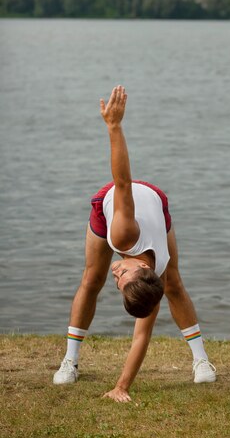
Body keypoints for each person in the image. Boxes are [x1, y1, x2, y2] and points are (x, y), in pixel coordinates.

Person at [53, 85, 216, 400]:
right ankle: (70, 360)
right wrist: (114, 126)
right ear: (142, 266)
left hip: (156, 204)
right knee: (91, 278)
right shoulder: (124, 235)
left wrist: (121, 387)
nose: (117, 274)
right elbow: (123, 183)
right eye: (123, 275)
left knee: (176, 285)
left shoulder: (151, 282)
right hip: (115, 200)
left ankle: (201, 360)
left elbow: (142, 335)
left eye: (119, 282)